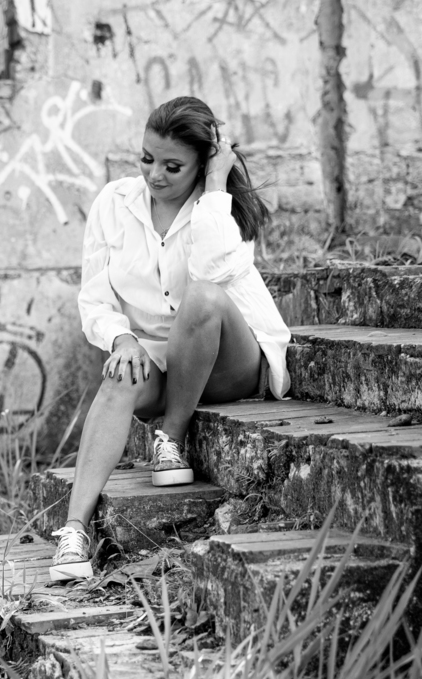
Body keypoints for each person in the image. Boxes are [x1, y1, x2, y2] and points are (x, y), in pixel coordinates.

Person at [50, 96, 292, 581]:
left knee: (200, 297)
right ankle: (74, 532)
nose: (155, 175)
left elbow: (214, 271)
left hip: (229, 359)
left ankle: (172, 437)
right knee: (119, 376)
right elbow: (94, 298)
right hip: (160, 362)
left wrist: (216, 187)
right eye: (146, 158)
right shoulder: (114, 204)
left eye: (173, 166)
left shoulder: (224, 209)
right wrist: (122, 339)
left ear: (203, 162)